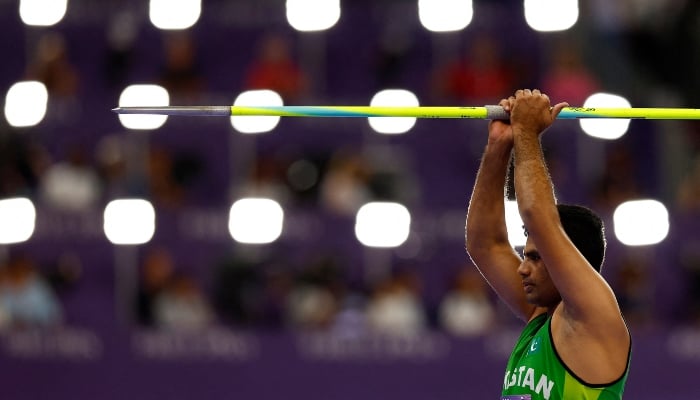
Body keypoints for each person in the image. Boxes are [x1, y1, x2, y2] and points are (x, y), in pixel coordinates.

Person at [465, 89, 631, 399]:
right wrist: (499, 147)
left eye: (537, 258)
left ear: (568, 257)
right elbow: (485, 244)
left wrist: (527, 132)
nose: (523, 268)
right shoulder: (541, 314)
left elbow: (539, 216)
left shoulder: (592, 316)